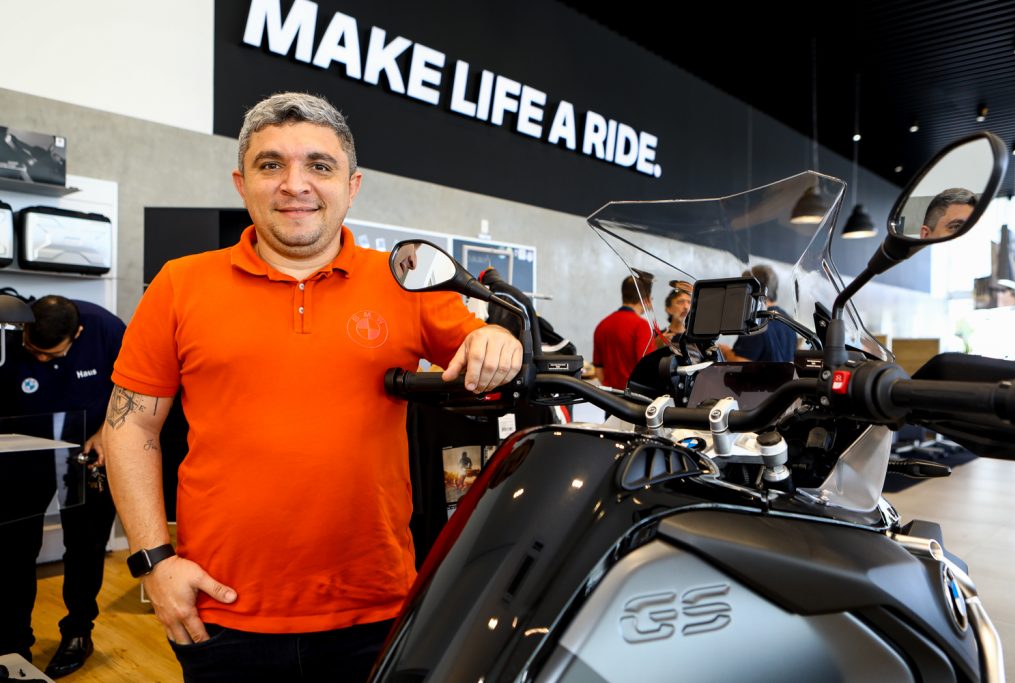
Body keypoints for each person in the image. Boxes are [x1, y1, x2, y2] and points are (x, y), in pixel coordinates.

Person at [102, 92, 522, 681]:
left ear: (352, 186)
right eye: (271, 164)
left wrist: (497, 339)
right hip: (221, 610)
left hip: (374, 608)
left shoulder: (403, 283)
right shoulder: (179, 284)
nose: (295, 184)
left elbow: (484, 346)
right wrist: (153, 561)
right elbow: (130, 429)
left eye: (319, 166)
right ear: (241, 183)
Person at [0, 295, 124, 678]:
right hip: (24, 451)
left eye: (49, 353)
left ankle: (77, 632)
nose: (39, 358)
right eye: (33, 350)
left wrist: (107, 431)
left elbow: (134, 386)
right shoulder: (11, 326)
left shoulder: (106, 329)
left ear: (78, 333)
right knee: (14, 549)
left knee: (85, 546)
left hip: (85, 452)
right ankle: (12, 642)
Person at [592, 270, 657, 389]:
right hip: (634, 397)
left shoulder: (602, 325)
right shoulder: (642, 326)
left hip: (608, 396)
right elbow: (647, 371)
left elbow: (598, 371)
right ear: (646, 299)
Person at [718, 265, 796, 363]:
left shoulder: (757, 320)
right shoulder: (788, 320)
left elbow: (740, 362)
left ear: (752, 288)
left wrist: (726, 352)